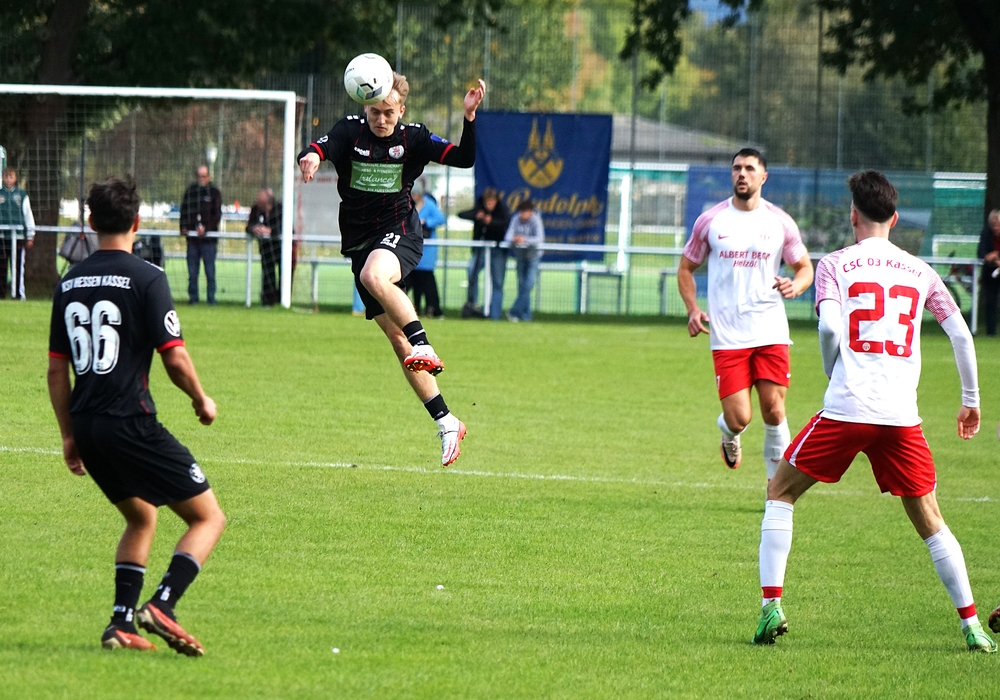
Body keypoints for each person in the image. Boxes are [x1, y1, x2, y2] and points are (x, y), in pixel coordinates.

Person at [751, 170, 995, 653]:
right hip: (901, 417)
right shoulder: (920, 270)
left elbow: (828, 329)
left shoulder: (835, 264)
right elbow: (961, 335)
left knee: (780, 491)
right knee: (931, 520)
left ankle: (771, 606)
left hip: (847, 408)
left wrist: (832, 369)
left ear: (853, 215)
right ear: (895, 218)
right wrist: (970, 400)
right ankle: (972, 626)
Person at [47, 177, 226, 655]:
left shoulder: (69, 282)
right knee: (208, 518)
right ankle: (163, 604)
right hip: (130, 420)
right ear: (137, 222)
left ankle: (120, 624)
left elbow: (57, 370)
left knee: (142, 516)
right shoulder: (147, 277)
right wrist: (201, 399)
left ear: (90, 221)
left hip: (88, 425)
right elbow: (174, 357)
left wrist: (69, 435)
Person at [298, 72, 486, 466]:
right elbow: (320, 146)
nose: (380, 119)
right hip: (359, 243)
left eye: (388, 112)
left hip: (400, 230)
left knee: (375, 277)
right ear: (364, 108)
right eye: (374, 112)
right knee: (398, 343)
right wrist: (312, 156)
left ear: (401, 111)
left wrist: (469, 118)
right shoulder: (350, 130)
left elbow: (464, 159)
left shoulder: (414, 138)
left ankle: (424, 343)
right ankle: (447, 422)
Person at [678, 148, 813, 480]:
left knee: (774, 410)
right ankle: (729, 431)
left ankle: (775, 491)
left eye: (749, 168)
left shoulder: (780, 221)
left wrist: (796, 285)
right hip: (727, 333)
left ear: (763, 177)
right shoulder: (711, 221)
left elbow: (805, 268)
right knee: (740, 418)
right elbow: (685, 268)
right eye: (737, 168)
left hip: (770, 329)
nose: (742, 174)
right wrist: (693, 309)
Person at [458, 187, 509, 319]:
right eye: (487, 203)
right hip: (480, 250)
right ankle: (473, 306)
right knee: (471, 272)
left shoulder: (502, 210)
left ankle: (494, 315)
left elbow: (505, 223)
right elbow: (461, 214)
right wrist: (477, 216)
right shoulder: (479, 207)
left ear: (496, 201)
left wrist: (491, 222)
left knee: (497, 281)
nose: (489, 206)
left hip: (497, 250)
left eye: (491, 203)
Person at [179, 165, 222, 305]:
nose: (201, 179)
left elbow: (217, 215)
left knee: (210, 271)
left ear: (209, 176)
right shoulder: (191, 191)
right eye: (199, 176)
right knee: (192, 272)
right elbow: (184, 211)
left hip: (209, 240)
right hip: (192, 240)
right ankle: (193, 298)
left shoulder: (215, 193)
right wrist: (184, 227)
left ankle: (211, 298)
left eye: (204, 176)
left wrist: (207, 228)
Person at [404, 183, 446, 318]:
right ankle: (407, 310)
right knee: (407, 282)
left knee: (427, 283)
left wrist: (426, 222)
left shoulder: (429, 205)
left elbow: (441, 219)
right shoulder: (407, 205)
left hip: (426, 252)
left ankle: (434, 310)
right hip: (410, 250)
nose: (414, 197)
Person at [503, 200, 545, 322]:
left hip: (533, 257)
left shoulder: (536, 220)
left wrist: (525, 239)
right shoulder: (515, 219)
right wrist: (515, 239)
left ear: (531, 212)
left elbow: (539, 239)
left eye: (525, 212)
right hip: (520, 257)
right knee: (522, 285)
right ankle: (526, 316)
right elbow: (507, 237)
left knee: (529, 284)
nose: (522, 214)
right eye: (521, 212)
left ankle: (514, 311)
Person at [0, 167, 36, 299]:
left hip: (18, 237)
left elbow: (28, 215)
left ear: (15, 179)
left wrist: (30, 235)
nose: (8, 179)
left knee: (17, 266)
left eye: (11, 177)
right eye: (6, 176)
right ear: (3, 178)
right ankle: (1, 294)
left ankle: (18, 293)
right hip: (2, 237)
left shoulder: (22, 195)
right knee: (1, 266)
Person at [246, 188, 283, 307]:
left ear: (269, 203)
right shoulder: (256, 209)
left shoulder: (281, 209)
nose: (259, 205)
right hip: (265, 248)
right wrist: (254, 228)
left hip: (281, 249)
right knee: (267, 273)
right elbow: (248, 226)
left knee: (284, 274)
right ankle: (267, 301)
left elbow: (285, 227)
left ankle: (282, 300)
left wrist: (270, 231)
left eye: (261, 203)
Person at [976, 209, 1000, 336]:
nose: (995, 227)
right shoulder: (986, 233)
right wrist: (995, 258)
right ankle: (991, 332)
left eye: (998, 225)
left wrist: (995, 254)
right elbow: (982, 253)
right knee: (990, 302)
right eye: (993, 224)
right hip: (989, 272)